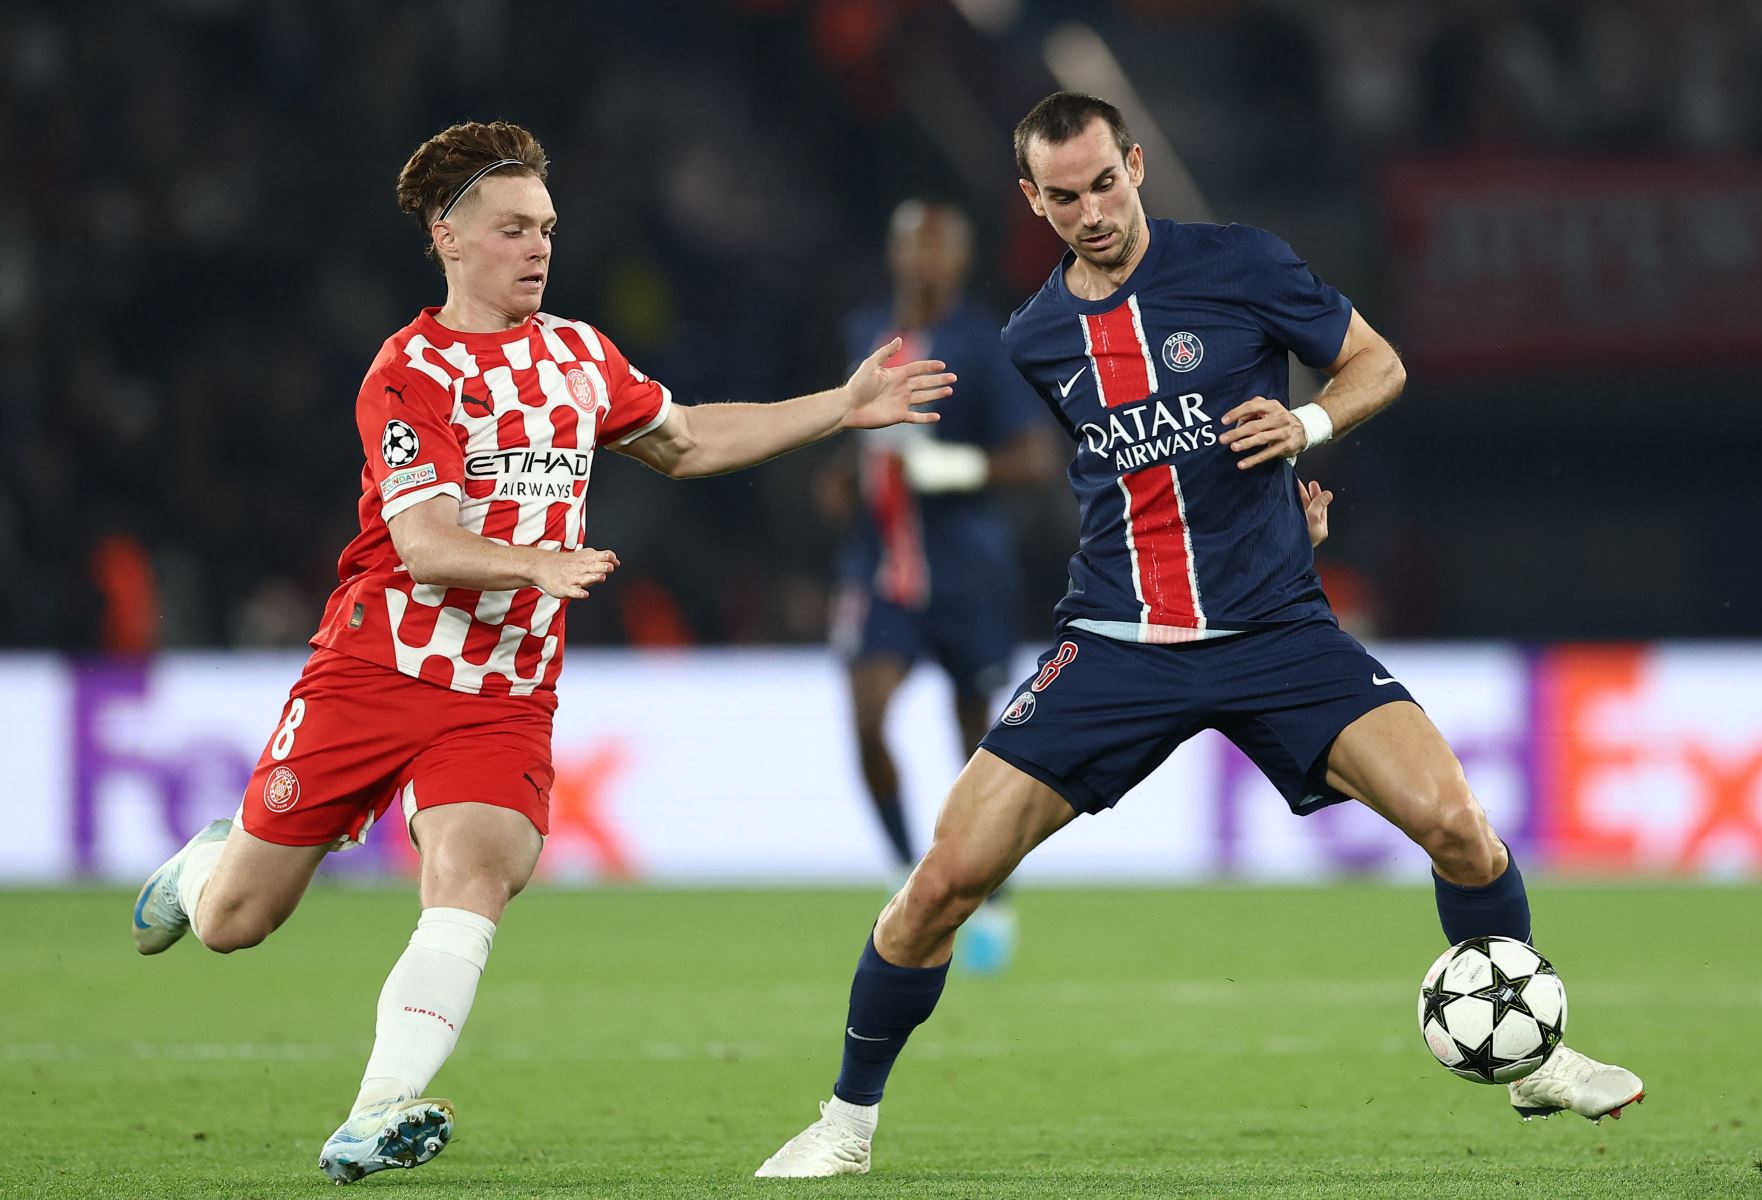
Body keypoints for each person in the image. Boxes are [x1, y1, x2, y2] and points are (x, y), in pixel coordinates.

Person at [754, 92, 1642, 1179]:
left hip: (1275, 629)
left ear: (1134, 164)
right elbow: (1122, 477)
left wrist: (1307, 425)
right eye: (1065, 195)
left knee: (1460, 825)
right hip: (1117, 641)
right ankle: (846, 1121)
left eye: (1106, 183)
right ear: (1033, 201)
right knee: (941, 882)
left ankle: (1534, 1052)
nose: (1093, 210)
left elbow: (1380, 364)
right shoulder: (1038, 336)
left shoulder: (1243, 263)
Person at [128, 119, 954, 1185]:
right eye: (514, 228)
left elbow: (688, 438)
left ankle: (375, 1114)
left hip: (503, 692)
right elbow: (422, 542)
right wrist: (530, 567)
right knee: (239, 920)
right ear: (449, 236)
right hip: (376, 673)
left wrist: (839, 409)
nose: (538, 247)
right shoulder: (407, 372)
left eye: (548, 228)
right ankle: (207, 860)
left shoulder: (576, 354)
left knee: (479, 868)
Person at [821, 199, 1058, 971]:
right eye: (911, 247)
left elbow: (1034, 458)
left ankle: (991, 891)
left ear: (959, 260)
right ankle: (904, 871)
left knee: (976, 744)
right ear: (893, 255)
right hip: (881, 568)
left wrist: (960, 469)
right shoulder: (864, 335)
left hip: (966, 571)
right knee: (865, 717)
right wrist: (836, 479)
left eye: (938, 249)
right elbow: (842, 431)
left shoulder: (983, 346)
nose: (923, 261)